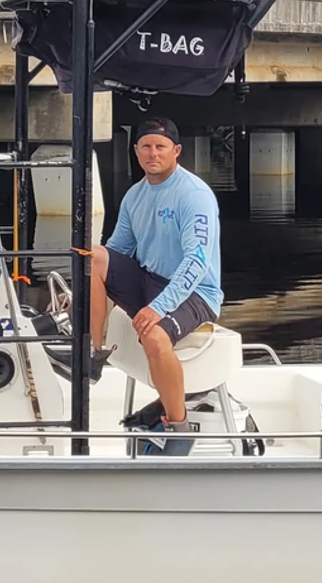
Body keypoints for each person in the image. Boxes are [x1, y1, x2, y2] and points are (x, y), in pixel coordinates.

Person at [82, 116, 222, 449]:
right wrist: (82, 291)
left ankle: (179, 426)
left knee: (154, 337)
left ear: (176, 151)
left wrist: (159, 307)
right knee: (95, 256)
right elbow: (116, 250)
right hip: (150, 278)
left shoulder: (194, 195)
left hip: (196, 292)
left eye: (160, 147)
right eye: (145, 146)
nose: (152, 153)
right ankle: (94, 352)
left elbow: (197, 261)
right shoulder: (135, 195)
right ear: (136, 151)